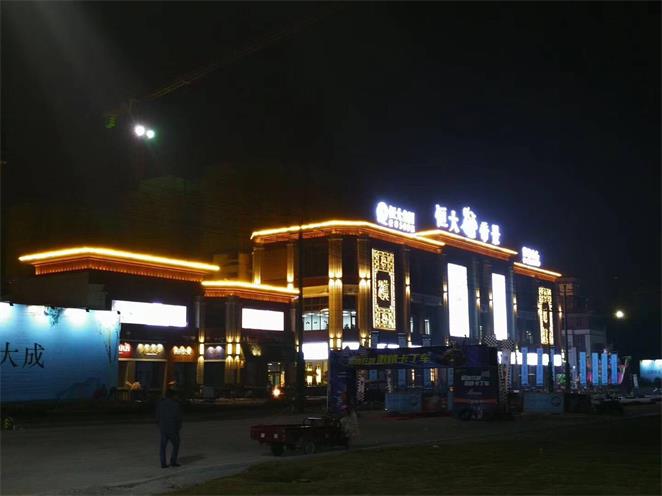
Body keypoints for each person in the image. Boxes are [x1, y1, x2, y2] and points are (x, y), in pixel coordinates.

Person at [156, 389, 182, 468]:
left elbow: (158, 415)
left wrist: (159, 425)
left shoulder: (160, 403)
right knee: (176, 444)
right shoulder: (176, 404)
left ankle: (163, 463)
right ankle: (173, 461)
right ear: (173, 396)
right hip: (172, 428)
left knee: (163, 446)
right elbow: (178, 418)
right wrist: (178, 427)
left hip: (163, 428)